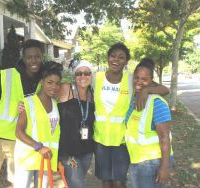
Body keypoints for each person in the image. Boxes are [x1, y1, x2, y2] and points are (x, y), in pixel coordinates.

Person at [92, 42, 170, 188]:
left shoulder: (131, 78)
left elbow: (165, 89)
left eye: (121, 57)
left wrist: (147, 91)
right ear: (108, 57)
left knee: (119, 181)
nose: (116, 59)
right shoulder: (96, 77)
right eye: (113, 55)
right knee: (105, 181)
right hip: (100, 139)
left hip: (121, 140)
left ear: (126, 62)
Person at [0, 39, 43, 188]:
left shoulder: (44, 79)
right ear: (23, 58)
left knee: (18, 179)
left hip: (21, 139)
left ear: (42, 57)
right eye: (29, 57)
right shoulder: (7, 76)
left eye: (37, 56)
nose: (34, 60)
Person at [125, 57, 173, 188]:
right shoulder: (135, 97)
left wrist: (165, 167)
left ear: (151, 81)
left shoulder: (156, 102)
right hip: (138, 160)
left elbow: (164, 137)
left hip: (152, 163)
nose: (139, 81)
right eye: (136, 77)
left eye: (144, 79)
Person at [14, 61, 63, 188]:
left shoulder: (56, 104)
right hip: (28, 157)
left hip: (47, 157)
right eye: (49, 82)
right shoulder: (27, 103)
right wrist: (39, 147)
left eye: (58, 83)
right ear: (42, 82)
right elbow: (18, 132)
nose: (54, 87)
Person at [57, 60, 95, 188]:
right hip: (69, 153)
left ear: (91, 75)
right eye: (79, 73)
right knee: (78, 184)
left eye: (86, 73)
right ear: (74, 75)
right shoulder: (65, 88)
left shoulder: (93, 94)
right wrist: (24, 106)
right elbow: (43, 95)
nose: (83, 76)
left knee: (76, 182)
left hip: (87, 151)